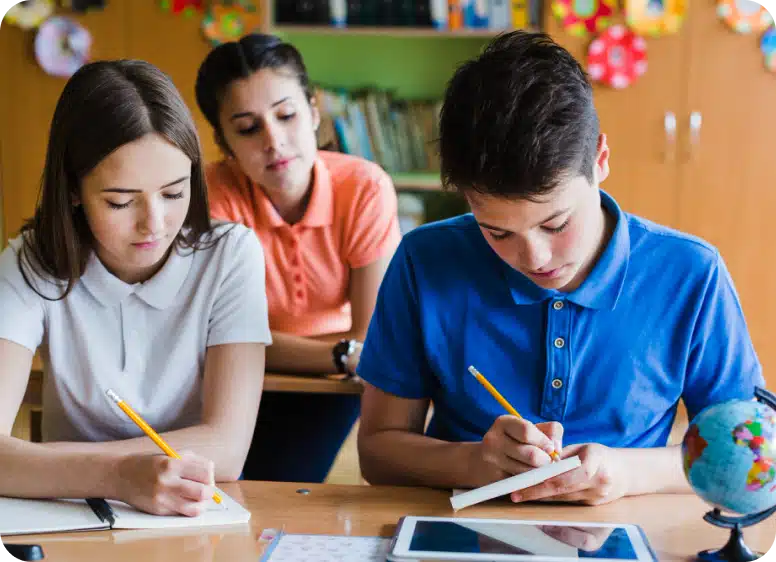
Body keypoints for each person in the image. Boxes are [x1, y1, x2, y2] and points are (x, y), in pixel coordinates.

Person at [356, 31, 764, 505]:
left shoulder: (691, 274)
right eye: (497, 233)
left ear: (600, 159)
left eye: (555, 223)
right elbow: (376, 451)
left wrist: (626, 472)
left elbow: (750, 452)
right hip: (460, 529)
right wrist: (471, 462)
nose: (536, 259)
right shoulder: (424, 261)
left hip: (629, 527)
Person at [0, 60, 271, 516]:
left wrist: (43, 464)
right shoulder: (32, 260)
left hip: (193, 513)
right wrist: (120, 476)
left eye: (173, 192)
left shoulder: (231, 255)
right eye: (121, 201)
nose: (155, 223)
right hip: (67, 514)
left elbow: (227, 448)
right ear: (72, 190)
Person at [195, 34, 401, 482]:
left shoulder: (364, 187)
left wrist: (344, 356)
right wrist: (341, 353)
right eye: (248, 128)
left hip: (327, 386)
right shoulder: (212, 195)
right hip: (240, 377)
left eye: (286, 115)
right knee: (207, 483)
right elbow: (211, 339)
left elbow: (373, 338)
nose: (274, 141)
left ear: (313, 111)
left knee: (275, 484)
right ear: (224, 142)